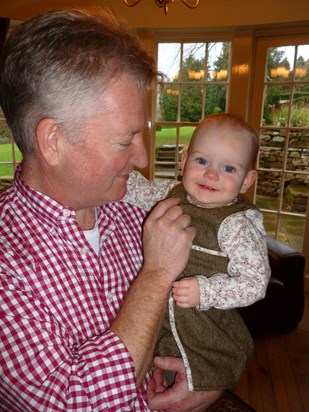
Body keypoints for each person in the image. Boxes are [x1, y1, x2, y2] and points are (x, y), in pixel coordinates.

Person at [0, 7, 223, 412]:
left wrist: (203, 373)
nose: (141, 157)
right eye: (125, 140)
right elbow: (75, 403)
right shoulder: (6, 261)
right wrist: (155, 275)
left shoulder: (134, 212)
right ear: (53, 141)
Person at [125, 113, 271, 392]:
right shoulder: (170, 193)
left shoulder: (236, 225)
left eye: (229, 168)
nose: (212, 174)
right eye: (202, 161)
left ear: (246, 181)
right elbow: (135, 190)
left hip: (203, 340)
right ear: (184, 160)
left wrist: (207, 292)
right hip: (159, 328)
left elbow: (255, 283)